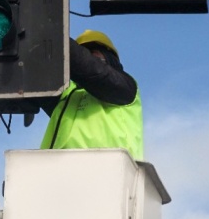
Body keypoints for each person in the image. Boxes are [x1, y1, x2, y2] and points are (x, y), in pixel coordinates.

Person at [39, 30, 143, 160]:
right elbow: (33, 82)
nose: (87, 56)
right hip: (55, 171)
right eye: (83, 51)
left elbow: (87, 67)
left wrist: (45, 31)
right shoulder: (67, 95)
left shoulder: (125, 86)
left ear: (109, 56)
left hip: (110, 170)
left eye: (92, 52)